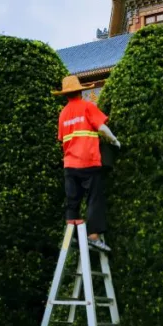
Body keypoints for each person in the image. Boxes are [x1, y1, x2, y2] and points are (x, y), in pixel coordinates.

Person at [54, 75, 121, 252]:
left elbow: (62, 138)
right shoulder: (87, 106)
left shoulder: (62, 114)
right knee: (94, 199)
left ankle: (72, 238)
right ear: (80, 92)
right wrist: (114, 140)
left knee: (72, 202)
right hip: (89, 162)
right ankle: (93, 237)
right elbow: (101, 128)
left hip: (70, 165)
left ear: (65, 95)